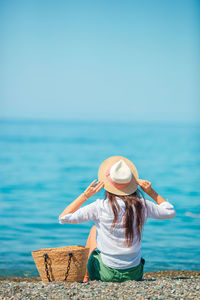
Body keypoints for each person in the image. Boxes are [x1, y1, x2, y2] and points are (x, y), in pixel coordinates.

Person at [59, 156, 176, 283]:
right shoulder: (142, 205)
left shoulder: (100, 206)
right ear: (131, 183)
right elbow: (170, 212)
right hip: (134, 274)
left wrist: (85, 195)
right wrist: (150, 191)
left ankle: (86, 276)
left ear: (107, 184)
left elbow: (64, 218)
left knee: (94, 230)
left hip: (106, 273)